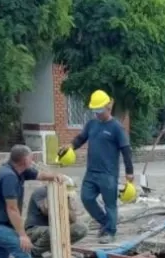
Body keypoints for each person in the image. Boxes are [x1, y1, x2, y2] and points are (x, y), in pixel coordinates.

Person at [58, 90, 135, 244]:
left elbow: (126, 150)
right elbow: (81, 138)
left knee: (110, 204)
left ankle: (110, 232)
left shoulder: (116, 127)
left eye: (99, 110)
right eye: (95, 110)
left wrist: (129, 172)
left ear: (108, 107)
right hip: (91, 172)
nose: (97, 113)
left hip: (108, 173)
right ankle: (106, 222)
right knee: (86, 198)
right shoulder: (91, 124)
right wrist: (71, 146)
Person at [24, 176, 89, 258]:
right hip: (34, 230)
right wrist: (56, 196)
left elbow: (73, 220)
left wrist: (67, 200)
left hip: (52, 229)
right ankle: (34, 251)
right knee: (54, 231)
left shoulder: (66, 195)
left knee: (82, 228)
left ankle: (55, 249)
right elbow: (46, 211)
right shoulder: (41, 192)